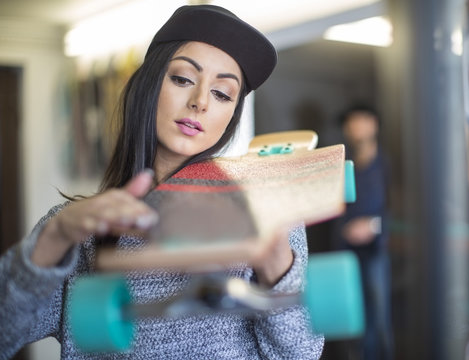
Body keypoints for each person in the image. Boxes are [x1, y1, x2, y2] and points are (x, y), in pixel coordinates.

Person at [0, 5, 324, 359]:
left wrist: (274, 259)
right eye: (183, 78)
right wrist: (55, 236)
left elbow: (301, 354)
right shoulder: (79, 230)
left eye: (222, 94)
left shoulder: (268, 213)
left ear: (231, 115)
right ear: (151, 84)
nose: (200, 101)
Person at [333, 103, 394, 360]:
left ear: (374, 124)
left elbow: (404, 212)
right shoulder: (340, 164)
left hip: (380, 250)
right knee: (351, 316)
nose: (356, 128)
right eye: (351, 123)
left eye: (361, 121)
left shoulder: (388, 166)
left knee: (381, 314)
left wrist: (373, 226)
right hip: (346, 253)